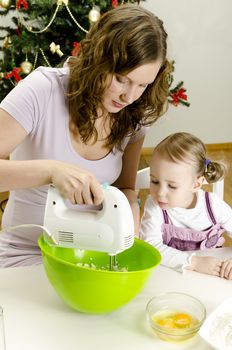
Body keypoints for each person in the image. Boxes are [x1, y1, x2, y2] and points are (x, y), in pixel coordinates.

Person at [0, 4, 172, 267]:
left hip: (96, 258)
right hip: (26, 253)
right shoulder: (43, 89)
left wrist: (128, 234)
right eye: (121, 78)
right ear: (98, 60)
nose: (129, 96)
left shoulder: (134, 114)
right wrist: (51, 171)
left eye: (143, 85)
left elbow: (125, 188)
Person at [140, 132, 232, 280]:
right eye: (155, 181)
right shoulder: (155, 205)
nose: (160, 192)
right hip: (173, 275)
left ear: (196, 184)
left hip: (213, 277)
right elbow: (151, 247)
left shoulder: (213, 206)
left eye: (172, 186)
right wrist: (194, 262)